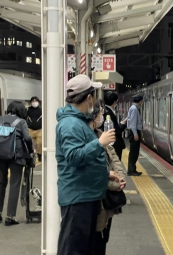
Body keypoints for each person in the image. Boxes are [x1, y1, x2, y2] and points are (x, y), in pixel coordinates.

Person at [55, 74, 117, 255]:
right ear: (88, 97)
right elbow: (74, 157)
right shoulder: (70, 125)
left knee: (86, 248)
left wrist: (105, 175)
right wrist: (100, 143)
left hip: (85, 196)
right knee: (73, 249)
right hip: (77, 199)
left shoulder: (78, 122)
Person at [0, 101, 34, 226]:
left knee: (1, 182)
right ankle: (10, 216)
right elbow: (27, 138)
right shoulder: (21, 122)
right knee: (14, 184)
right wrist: (31, 151)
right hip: (17, 156)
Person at [91, 99, 126, 255]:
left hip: (107, 202)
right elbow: (94, 170)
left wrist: (120, 177)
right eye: (100, 113)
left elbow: (114, 159)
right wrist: (115, 184)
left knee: (103, 239)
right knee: (96, 240)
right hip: (97, 200)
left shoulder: (100, 134)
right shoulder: (91, 139)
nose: (102, 116)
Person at [102, 91, 127, 160]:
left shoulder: (105, 110)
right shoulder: (109, 113)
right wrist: (122, 125)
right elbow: (116, 130)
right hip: (114, 144)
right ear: (114, 102)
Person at [127, 93, 144, 176]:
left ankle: (132, 169)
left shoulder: (134, 108)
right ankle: (131, 170)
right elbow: (133, 122)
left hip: (134, 131)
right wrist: (135, 134)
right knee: (134, 152)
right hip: (135, 131)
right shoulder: (134, 109)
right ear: (140, 101)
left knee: (134, 152)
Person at [27, 96, 42, 162]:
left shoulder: (41, 110)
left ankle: (39, 155)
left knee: (40, 143)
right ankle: (31, 156)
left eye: (36, 101)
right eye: (33, 101)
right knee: (30, 144)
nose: (34, 102)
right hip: (30, 130)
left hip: (39, 130)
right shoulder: (28, 110)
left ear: (38, 102)